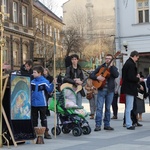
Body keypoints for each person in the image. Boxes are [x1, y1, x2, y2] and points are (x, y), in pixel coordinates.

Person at [90, 53, 119, 131]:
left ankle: (107, 124)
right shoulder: (101, 67)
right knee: (99, 108)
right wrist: (97, 77)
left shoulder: (114, 68)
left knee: (108, 108)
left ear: (112, 59)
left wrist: (111, 66)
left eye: (109, 58)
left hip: (110, 91)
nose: (108, 60)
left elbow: (116, 75)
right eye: (106, 58)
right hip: (101, 90)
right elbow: (91, 75)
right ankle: (98, 125)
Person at [121, 51, 144, 130]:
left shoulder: (127, 63)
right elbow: (131, 77)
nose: (137, 59)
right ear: (134, 56)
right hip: (130, 88)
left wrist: (137, 83)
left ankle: (129, 122)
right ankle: (128, 124)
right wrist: (138, 79)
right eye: (137, 57)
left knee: (129, 106)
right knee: (129, 107)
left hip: (129, 87)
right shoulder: (131, 64)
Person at [31, 65, 54, 139]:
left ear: (39, 73)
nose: (33, 74)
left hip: (42, 103)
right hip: (33, 103)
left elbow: (49, 90)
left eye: (34, 72)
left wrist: (53, 84)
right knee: (34, 118)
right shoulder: (32, 82)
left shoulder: (44, 82)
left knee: (43, 118)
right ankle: (34, 132)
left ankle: (46, 132)